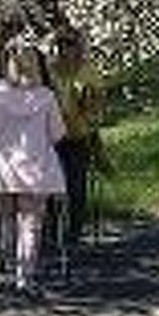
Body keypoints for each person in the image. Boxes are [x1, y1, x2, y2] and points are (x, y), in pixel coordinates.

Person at [0, 38, 67, 297]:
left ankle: (8, 265)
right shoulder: (45, 97)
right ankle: (24, 276)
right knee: (30, 223)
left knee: (6, 220)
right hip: (35, 167)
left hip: (2, 168)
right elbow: (58, 133)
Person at [48, 26, 104, 247]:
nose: (63, 49)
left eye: (69, 44)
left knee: (75, 185)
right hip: (53, 137)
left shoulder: (88, 72)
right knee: (53, 185)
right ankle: (55, 228)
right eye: (60, 44)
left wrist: (88, 103)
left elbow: (97, 107)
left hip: (78, 136)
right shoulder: (50, 72)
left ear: (78, 47)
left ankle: (74, 231)